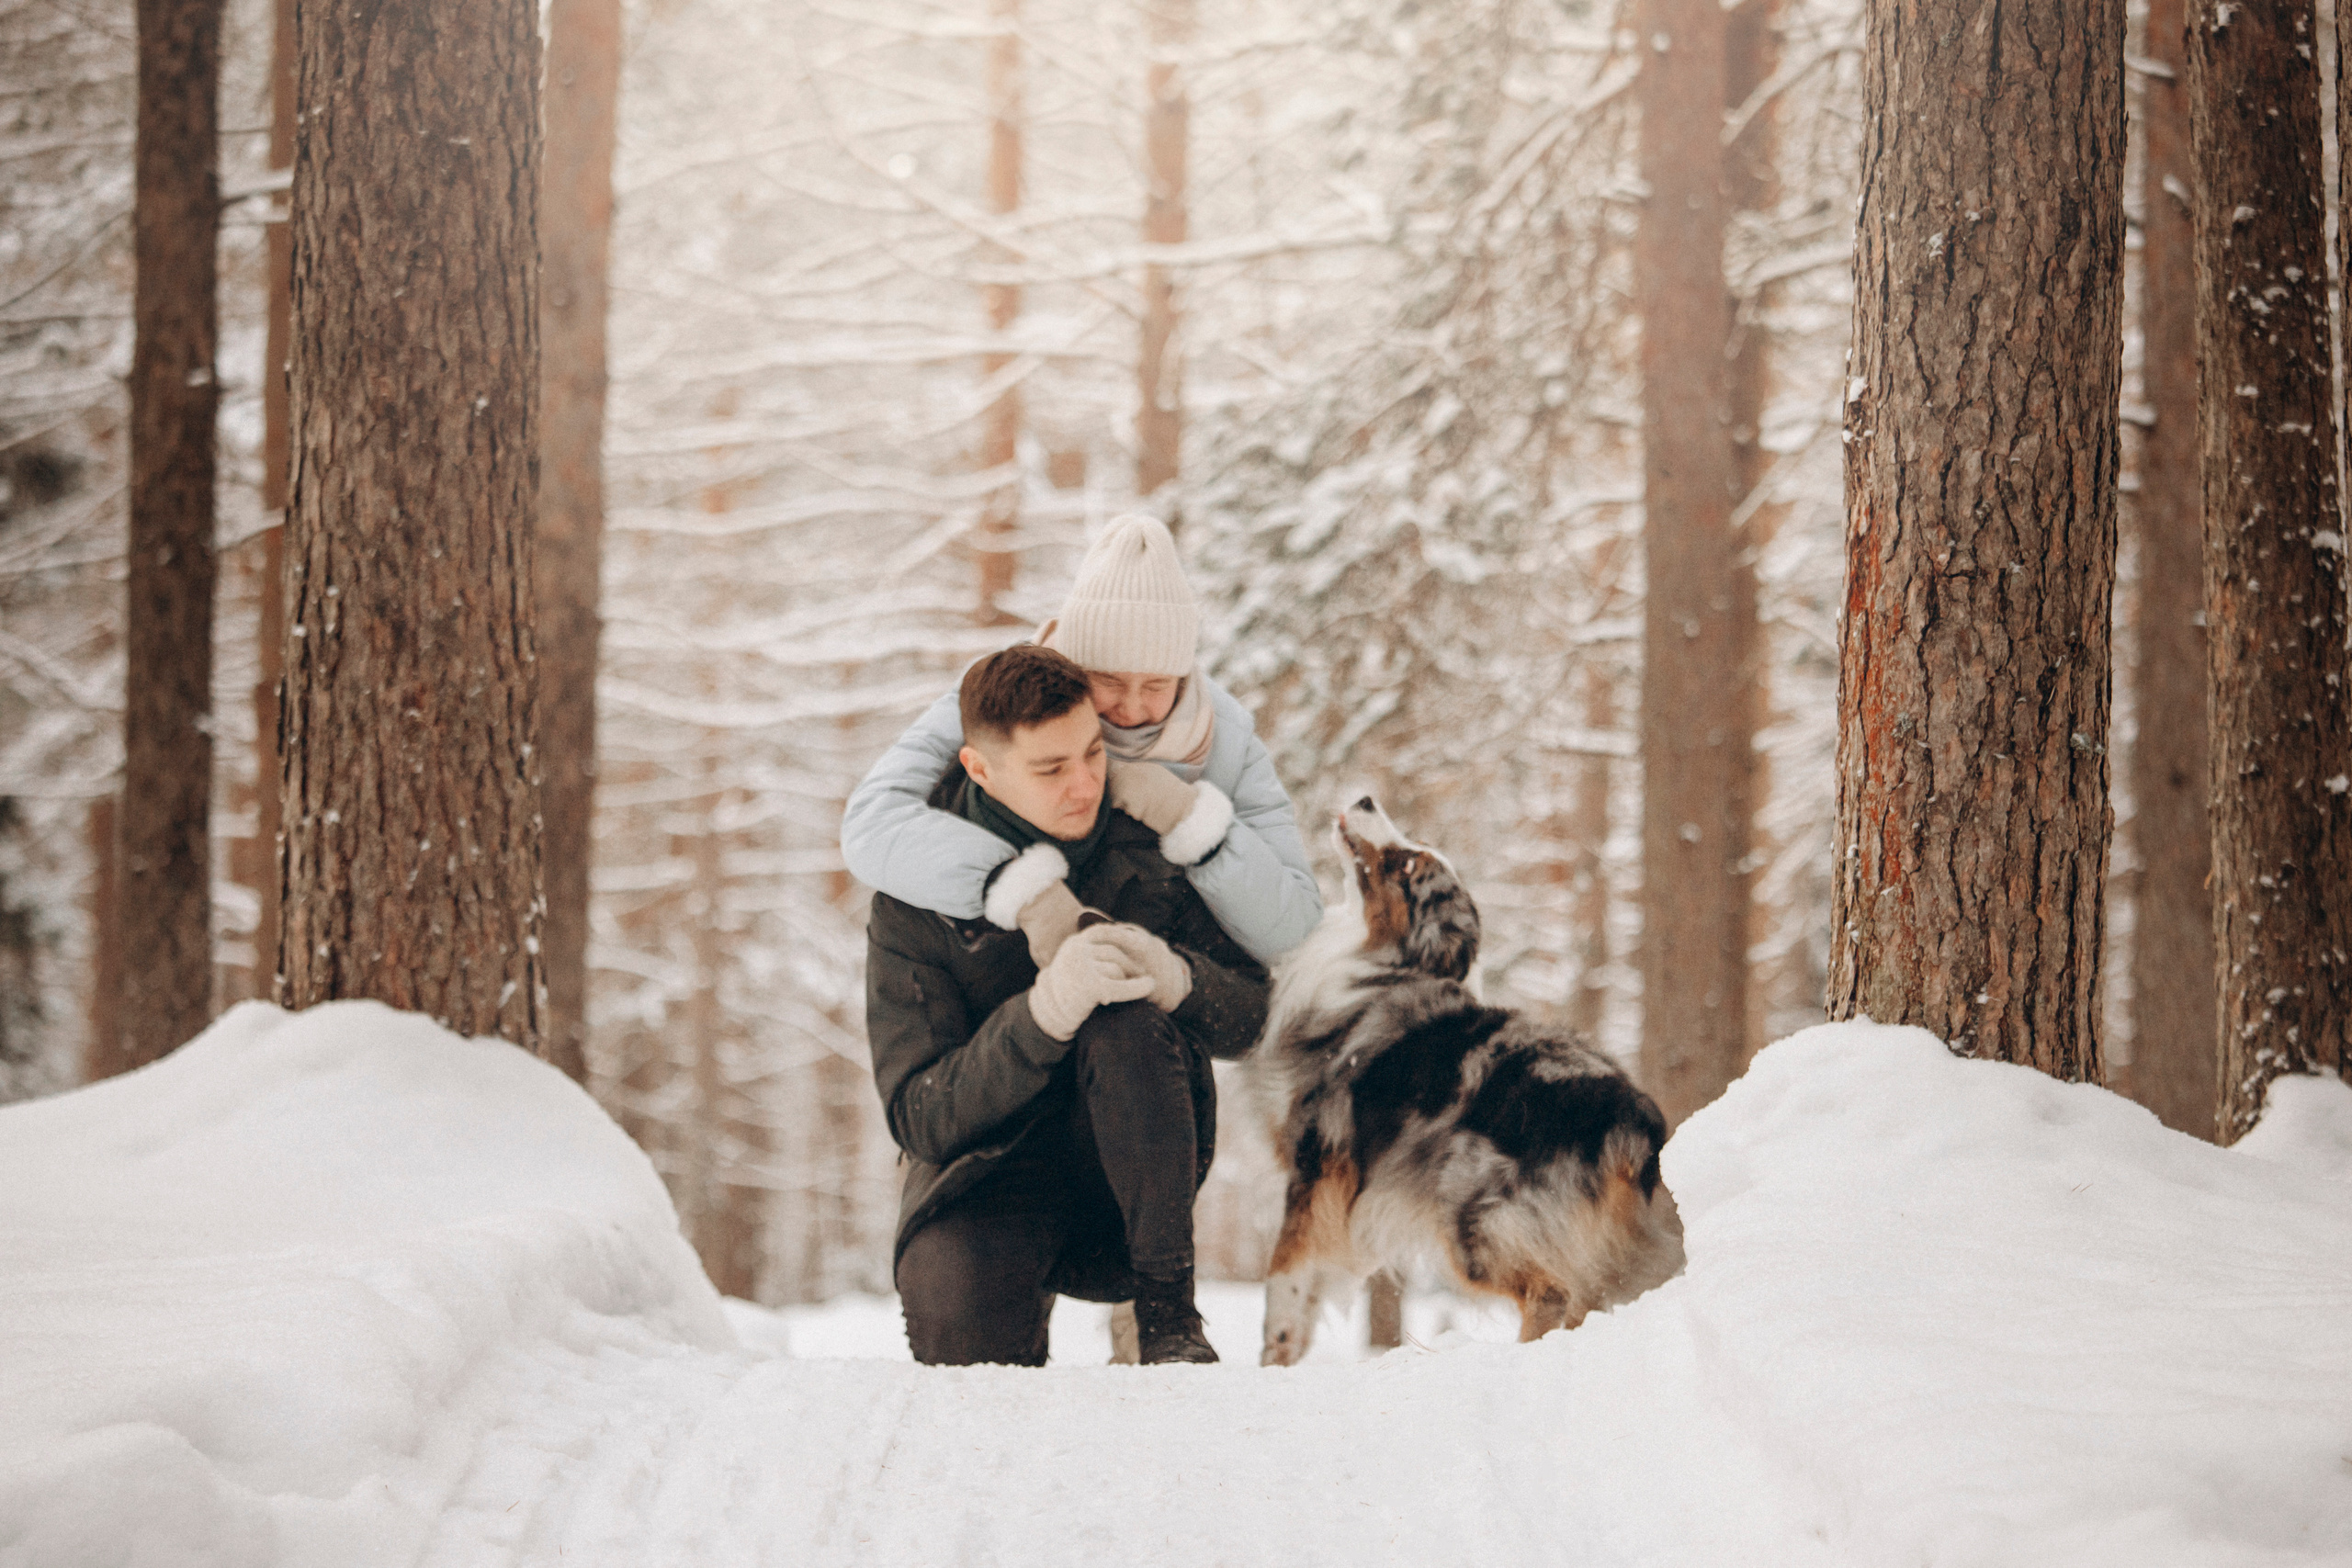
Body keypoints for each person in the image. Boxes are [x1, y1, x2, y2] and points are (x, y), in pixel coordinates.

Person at [864, 644, 1272, 1365]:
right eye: (1051, 769)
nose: (1085, 784)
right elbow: (920, 1114)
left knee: (1120, 1006)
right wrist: (1044, 1012)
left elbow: (1260, 1016)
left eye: (1092, 753)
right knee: (961, 1341)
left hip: (1128, 1172)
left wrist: (1179, 975)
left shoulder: (1146, 846)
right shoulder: (913, 892)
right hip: (984, 1174)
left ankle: (1169, 1317)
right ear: (979, 769)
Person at [841, 513, 1321, 968]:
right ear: (1072, 663)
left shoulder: (1226, 740)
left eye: (1157, 686)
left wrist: (1192, 821)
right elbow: (871, 825)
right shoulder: (1004, 700)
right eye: (1109, 682)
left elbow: (1298, 934)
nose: (1132, 710)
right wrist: (1017, 886)